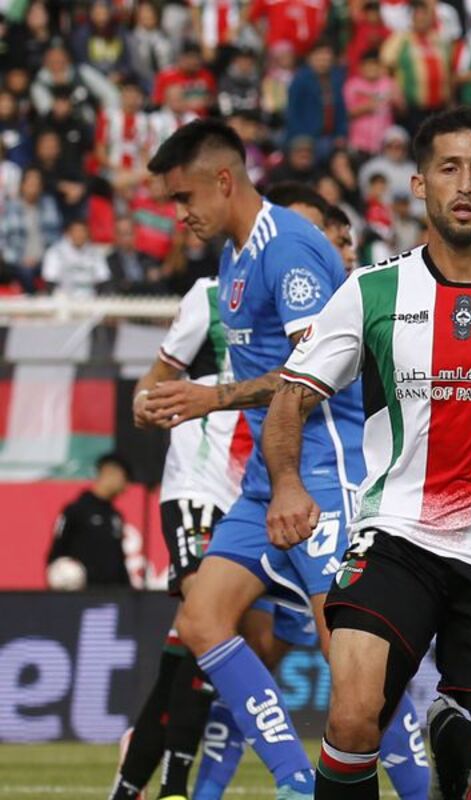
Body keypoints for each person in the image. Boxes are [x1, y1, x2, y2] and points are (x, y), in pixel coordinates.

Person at [260, 106, 471, 799]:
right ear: (418, 184)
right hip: (398, 535)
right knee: (356, 713)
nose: (465, 184)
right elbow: (290, 397)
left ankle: (451, 728)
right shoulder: (372, 290)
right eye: (448, 168)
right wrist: (287, 485)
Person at [141, 118, 360, 800]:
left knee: (350, 657)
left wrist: (212, 397)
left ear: (225, 180)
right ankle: (296, 779)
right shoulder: (233, 259)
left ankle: (428, 764)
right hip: (267, 478)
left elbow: (314, 371)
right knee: (202, 619)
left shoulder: (287, 250)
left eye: (183, 198)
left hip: (323, 470)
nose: (178, 216)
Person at [110, 275, 255, 800]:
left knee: (195, 638)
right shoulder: (211, 294)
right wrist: (145, 404)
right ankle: (173, 787)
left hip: (249, 497)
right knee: (207, 629)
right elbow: (155, 379)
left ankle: (128, 784)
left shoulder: (301, 304)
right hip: (196, 484)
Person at [47, 453, 133, 587]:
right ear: (109, 472)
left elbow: (118, 559)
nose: (126, 487)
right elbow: (57, 552)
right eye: (125, 479)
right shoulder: (76, 510)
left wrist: (128, 591)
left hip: (112, 596)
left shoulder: (115, 516)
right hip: (82, 594)